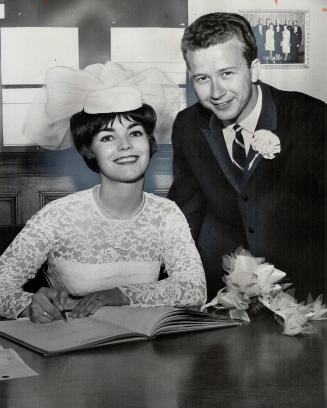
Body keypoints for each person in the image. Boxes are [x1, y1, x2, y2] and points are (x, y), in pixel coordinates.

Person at [0, 62, 207, 322]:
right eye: (108, 138)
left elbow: (194, 290)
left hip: (142, 348)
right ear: (90, 150)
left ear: (149, 142)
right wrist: (31, 304)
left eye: (135, 133)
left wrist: (121, 294)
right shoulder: (57, 216)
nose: (125, 146)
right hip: (71, 347)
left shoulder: (167, 215)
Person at [168, 12, 326, 301]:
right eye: (202, 78)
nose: (216, 93)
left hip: (305, 296)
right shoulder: (188, 126)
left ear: (253, 69)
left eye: (227, 73)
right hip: (221, 298)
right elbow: (183, 218)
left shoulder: (314, 118)